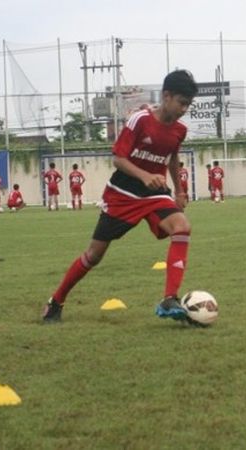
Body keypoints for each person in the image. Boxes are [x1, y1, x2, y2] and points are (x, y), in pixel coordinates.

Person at [42, 69, 198, 324]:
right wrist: (145, 176)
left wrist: (179, 191)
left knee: (182, 227)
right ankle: (56, 300)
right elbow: (118, 159)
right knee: (94, 255)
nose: (184, 109)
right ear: (166, 96)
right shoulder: (140, 120)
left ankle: (170, 298)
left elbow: (172, 158)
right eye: (182, 103)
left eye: (188, 105)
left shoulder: (179, 130)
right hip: (122, 194)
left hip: (155, 194)